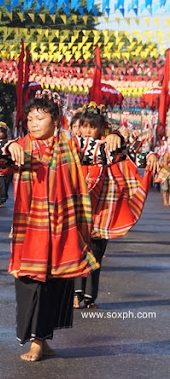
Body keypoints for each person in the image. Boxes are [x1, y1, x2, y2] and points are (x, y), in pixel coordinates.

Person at [0, 91, 139, 362]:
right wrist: (7, 148)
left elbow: (107, 154)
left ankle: (44, 338)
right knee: (31, 282)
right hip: (32, 228)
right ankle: (35, 341)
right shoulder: (21, 145)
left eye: (40, 118)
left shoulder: (71, 144)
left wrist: (115, 139)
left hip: (65, 227)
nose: (33, 123)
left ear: (56, 120)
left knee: (57, 285)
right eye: (30, 119)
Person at [72, 101, 159, 309]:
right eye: (83, 125)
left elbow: (133, 153)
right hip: (78, 207)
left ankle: (90, 296)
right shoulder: (74, 145)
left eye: (92, 126)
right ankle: (76, 293)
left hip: (103, 211)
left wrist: (150, 155)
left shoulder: (111, 144)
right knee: (77, 251)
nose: (87, 130)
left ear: (102, 127)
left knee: (96, 252)